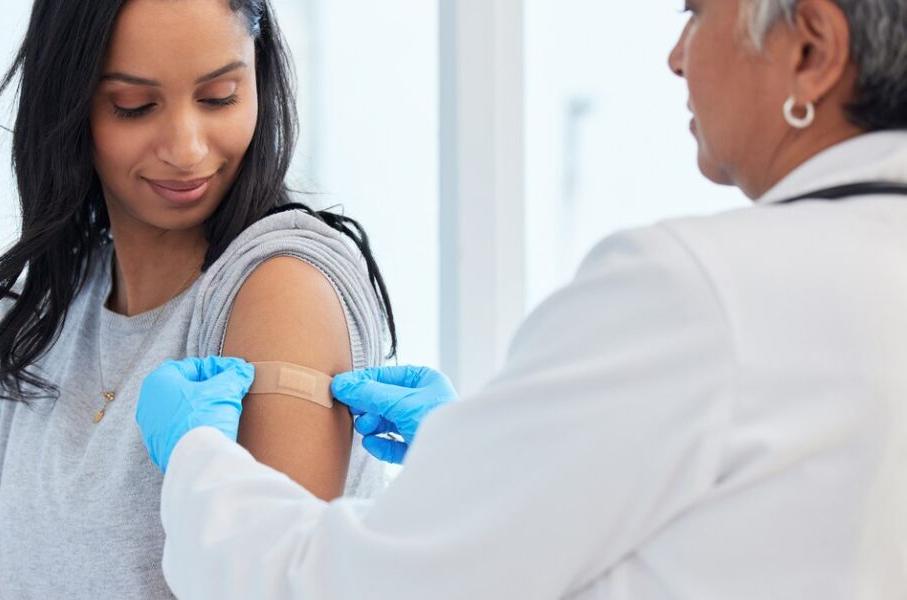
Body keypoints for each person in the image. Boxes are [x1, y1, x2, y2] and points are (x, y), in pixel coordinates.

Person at [135, 0, 907, 597]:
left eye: (697, 14)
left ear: (811, 50)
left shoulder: (699, 290)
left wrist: (201, 463)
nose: (676, 58)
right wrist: (473, 455)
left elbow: (343, 589)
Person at [0, 0, 398, 598]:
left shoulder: (281, 286)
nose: (187, 149)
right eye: (134, 106)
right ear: (69, 105)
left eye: (220, 96)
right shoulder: (33, 323)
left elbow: (276, 583)